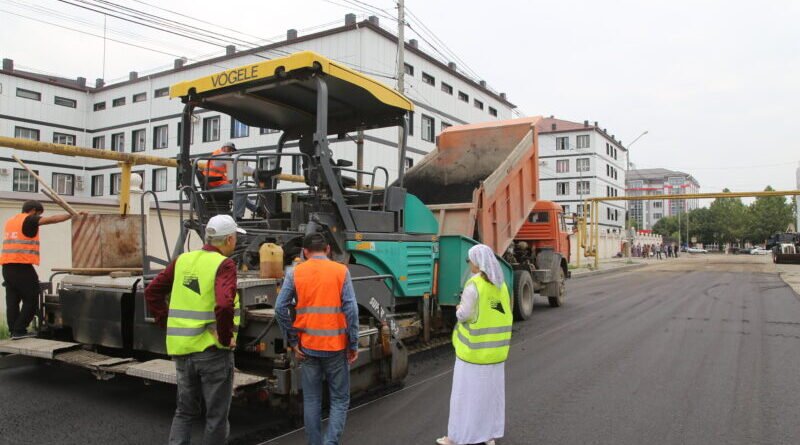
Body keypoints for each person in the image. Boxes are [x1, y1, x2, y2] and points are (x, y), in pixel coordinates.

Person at [144, 214, 244, 445]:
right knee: (216, 416)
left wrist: (165, 320)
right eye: (236, 237)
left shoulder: (182, 260)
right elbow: (224, 303)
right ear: (229, 239)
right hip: (212, 352)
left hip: (182, 350)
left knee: (185, 411)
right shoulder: (224, 264)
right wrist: (225, 336)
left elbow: (152, 292)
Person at [275, 233, 359, 445]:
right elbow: (351, 310)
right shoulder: (341, 271)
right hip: (336, 347)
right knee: (339, 400)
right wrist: (353, 343)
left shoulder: (296, 273)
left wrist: (293, 340)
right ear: (328, 249)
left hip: (308, 348)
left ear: (304, 252)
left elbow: (280, 308)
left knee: (312, 400)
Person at [437, 244, 513, 445]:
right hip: (495, 353)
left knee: (464, 398)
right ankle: (489, 436)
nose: (468, 263)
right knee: (490, 397)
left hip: (473, 354)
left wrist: (458, 308)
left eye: (470, 260)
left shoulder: (474, 284)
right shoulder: (501, 285)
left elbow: (465, 315)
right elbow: (501, 312)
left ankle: (455, 437)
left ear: (478, 263)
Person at [1, 200, 81, 339]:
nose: (39, 217)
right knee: (32, 297)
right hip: (22, 266)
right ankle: (19, 330)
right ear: (33, 211)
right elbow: (52, 219)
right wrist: (71, 215)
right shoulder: (29, 219)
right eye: (39, 214)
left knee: (13, 300)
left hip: (7, 266)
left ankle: (14, 330)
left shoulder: (11, 221)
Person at [200, 142, 257, 219]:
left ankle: (258, 210)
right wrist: (255, 172)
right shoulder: (219, 156)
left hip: (217, 185)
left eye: (232, 151)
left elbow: (236, 167)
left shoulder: (222, 158)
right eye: (229, 149)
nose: (231, 152)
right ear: (224, 148)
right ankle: (236, 217)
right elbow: (238, 165)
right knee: (241, 190)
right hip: (214, 187)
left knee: (241, 191)